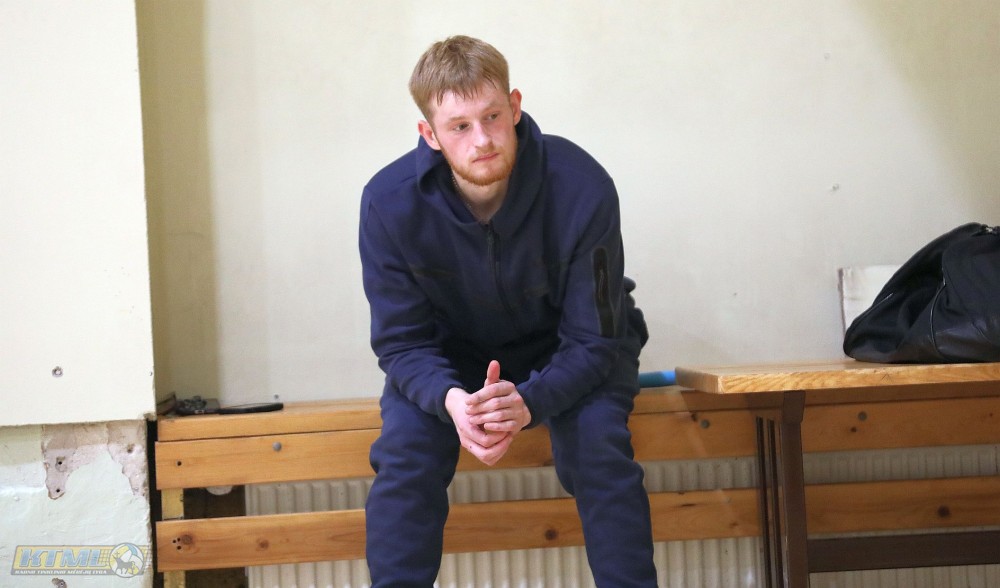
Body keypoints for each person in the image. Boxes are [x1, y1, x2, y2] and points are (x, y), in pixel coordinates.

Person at [359, 35, 656, 587]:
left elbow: (595, 339)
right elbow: (402, 343)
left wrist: (531, 401)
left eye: (492, 116)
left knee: (598, 449)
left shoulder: (582, 185)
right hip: (451, 360)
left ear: (515, 106)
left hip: (572, 348)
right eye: (459, 126)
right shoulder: (388, 203)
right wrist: (451, 400)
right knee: (405, 456)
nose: (482, 139)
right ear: (429, 134)